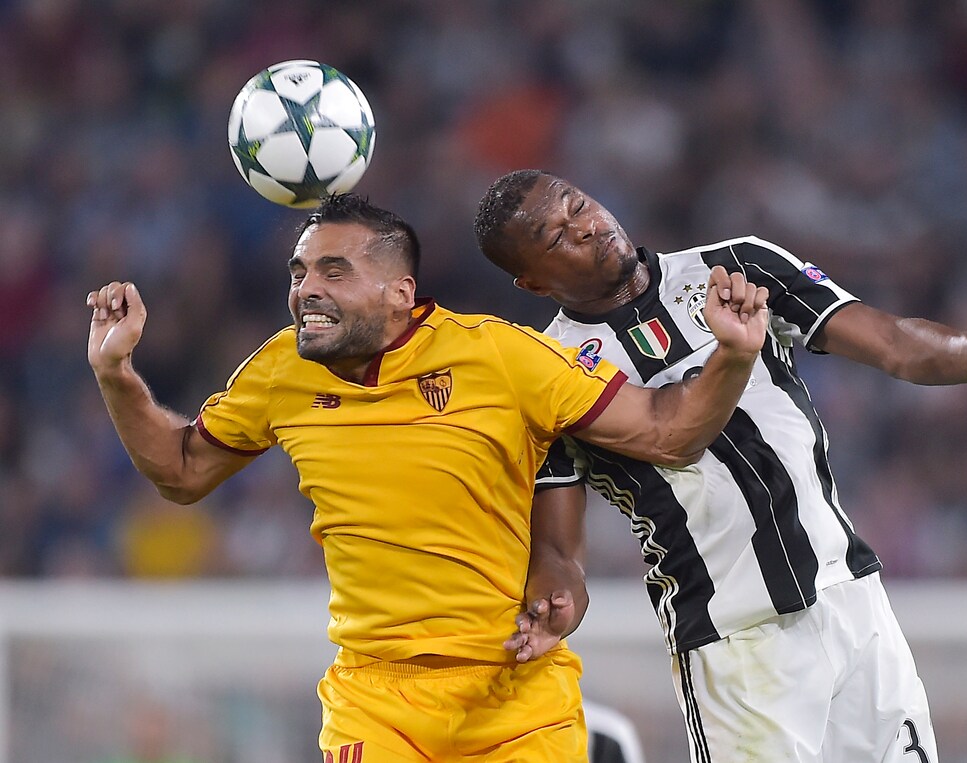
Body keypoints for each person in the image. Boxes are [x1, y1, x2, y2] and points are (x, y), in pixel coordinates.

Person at [86, 193, 770, 763]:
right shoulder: (279, 371)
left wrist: (733, 357)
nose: (306, 290)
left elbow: (664, 429)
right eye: (299, 273)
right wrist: (115, 374)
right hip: (376, 702)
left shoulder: (501, 356)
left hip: (516, 694)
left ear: (400, 292)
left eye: (333, 271)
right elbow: (181, 470)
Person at [473, 169, 967, 763]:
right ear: (532, 283)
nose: (586, 226)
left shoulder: (737, 265)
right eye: (557, 236)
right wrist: (558, 598)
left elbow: (892, 344)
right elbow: (559, 548)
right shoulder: (548, 372)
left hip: (850, 596)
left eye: (578, 204)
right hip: (735, 636)